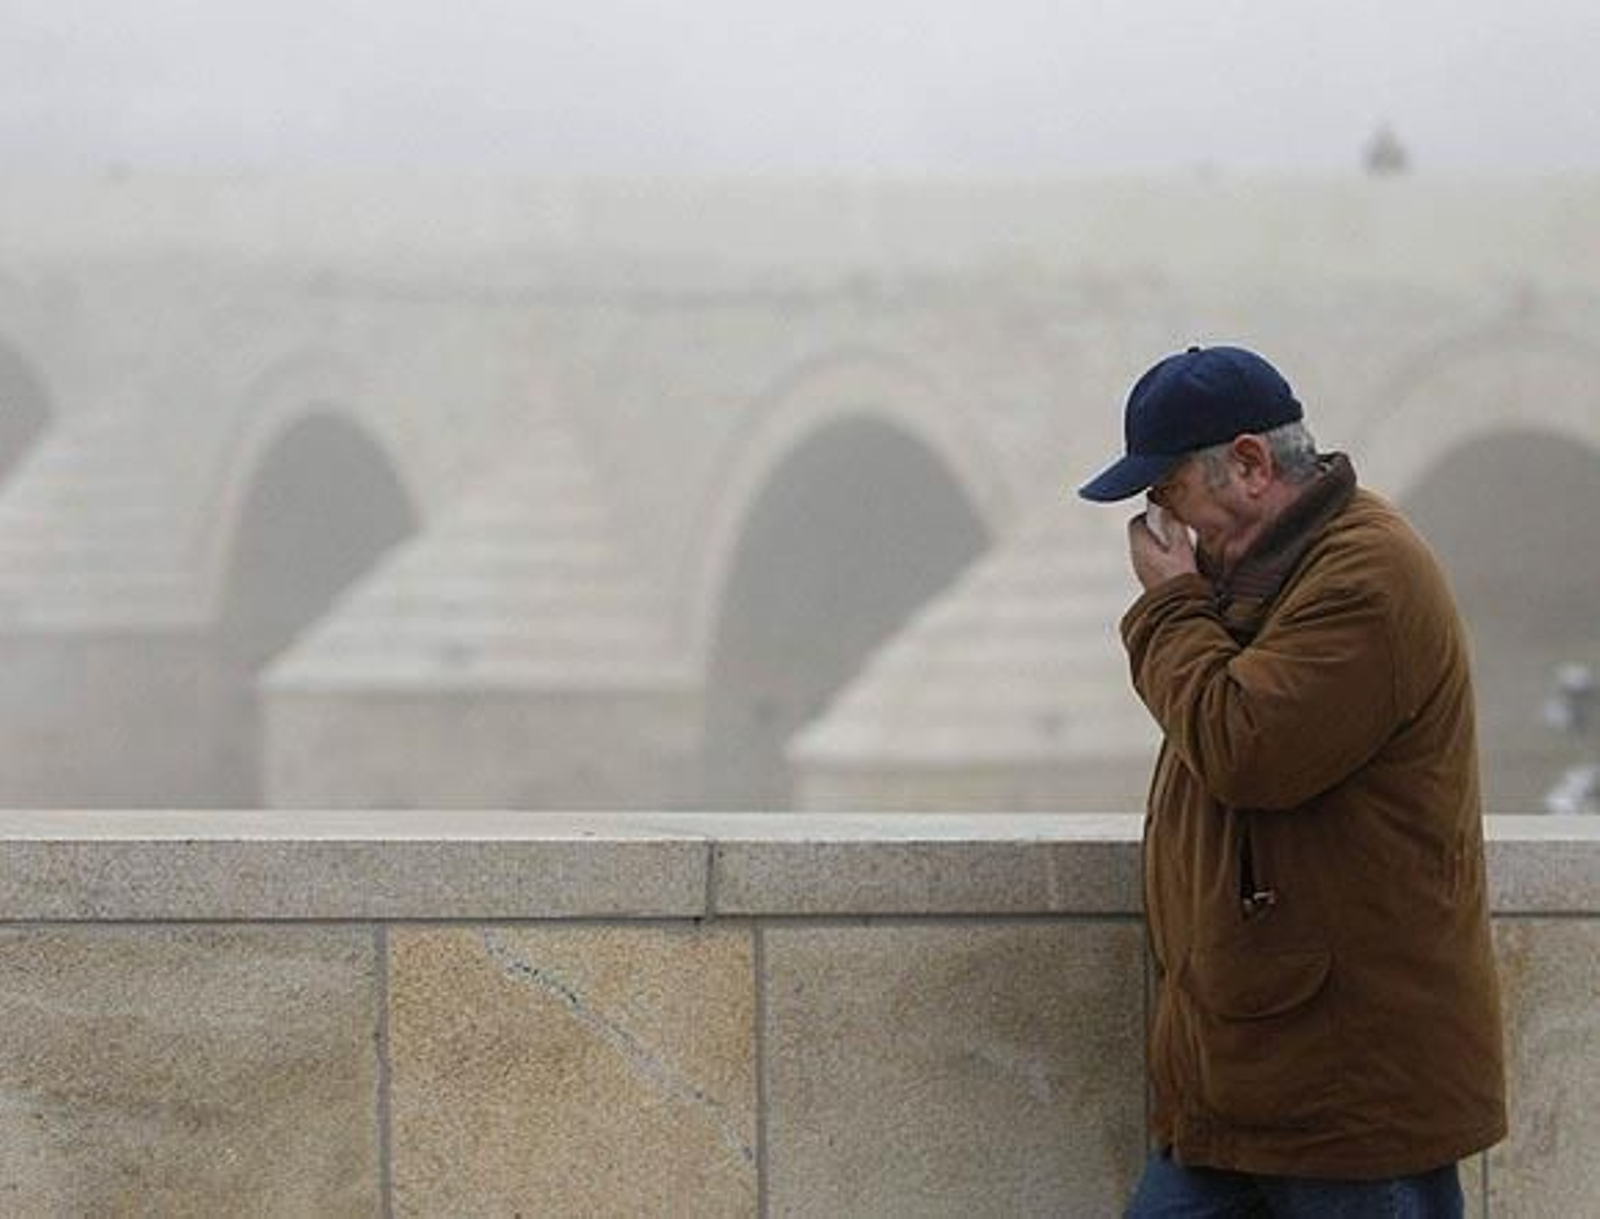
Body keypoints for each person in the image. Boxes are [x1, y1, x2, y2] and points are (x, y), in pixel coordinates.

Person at [1077, 345, 1506, 1217]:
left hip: (1349, 1092)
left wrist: (1167, 606)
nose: (1171, 529)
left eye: (1171, 496)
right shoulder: (1263, 572)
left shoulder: (1366, 576)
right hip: (1237, 1081)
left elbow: (1247, 746)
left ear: (1248, 463)